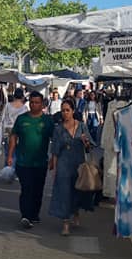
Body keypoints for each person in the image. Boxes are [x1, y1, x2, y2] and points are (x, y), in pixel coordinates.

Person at [49, 99, 97, 236]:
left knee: (77, 191)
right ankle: (65, 223)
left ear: (73, 111)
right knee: (64, 193)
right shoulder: (58, 129)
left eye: (67, 110)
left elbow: (90, 147)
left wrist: (85, 141)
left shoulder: (81, 126)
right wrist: (55, 168)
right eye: (63, 110)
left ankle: (76, 211)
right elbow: (55, 150)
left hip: (78, 164)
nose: (65, 113)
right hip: (64, 164)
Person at [6, 91, 54, 228]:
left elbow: (55, 139)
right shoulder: (21, 119)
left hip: (40, 162)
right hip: (23, 162)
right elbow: (14, 137)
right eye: (32, 102)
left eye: (37, 102)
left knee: (38, 191)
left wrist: (54, 159)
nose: (34, 105)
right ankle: (25, 215)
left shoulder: (47, 121)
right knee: (26, 189)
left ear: (42, 104)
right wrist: (10, 155)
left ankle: (34, 214)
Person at [0, 88, 29, 160]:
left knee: (8, 153)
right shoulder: (25, 108)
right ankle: (15, 169)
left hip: (8, 132)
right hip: (20, 133)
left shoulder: (7, 106)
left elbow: (2, 119)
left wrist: (0, 131)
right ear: (22, 97)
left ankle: (8, 169)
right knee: (17, 153)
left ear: (14, 96)